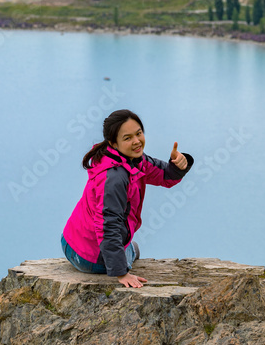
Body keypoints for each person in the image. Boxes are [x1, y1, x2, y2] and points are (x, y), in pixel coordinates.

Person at [61, 109, 193, 288]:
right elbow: (108, 225)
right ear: (113, 143)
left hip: (72, 239)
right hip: (88, 256)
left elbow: (165, 176)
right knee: (132, 250)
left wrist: (179, 165)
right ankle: (125, 255)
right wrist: (121, 272)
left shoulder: (131, 159)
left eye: (139, 133)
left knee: (129, 247)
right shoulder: (114, 178)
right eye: (128, 138)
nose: (137, 141)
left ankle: (126, 251)